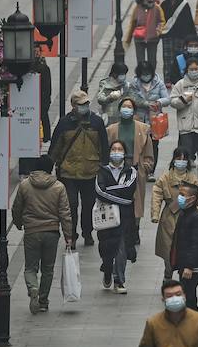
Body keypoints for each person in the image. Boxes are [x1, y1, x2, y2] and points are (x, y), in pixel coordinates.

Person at [11, 155, 74, 314]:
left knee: (30, 268)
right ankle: (43, 301)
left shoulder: (25, 185)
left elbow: (17, 207)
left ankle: (33, 287)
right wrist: (68, 235)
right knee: (48, 269)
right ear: (50, 168)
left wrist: (19, 223)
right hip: (51, 232)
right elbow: (65, 213)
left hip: (32, 231)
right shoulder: (59, 187)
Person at [47, 90, 109, 247]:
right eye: (81, 105)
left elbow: (103, 146)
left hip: (90, 172)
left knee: (89, 206)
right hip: (68, 173)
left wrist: (104, 169)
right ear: (73, 106)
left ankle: (87, 233)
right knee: (71, 206)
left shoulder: (96, 122)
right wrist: (47, 170)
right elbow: (55, 148)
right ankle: (71, 235)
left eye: (86, 104)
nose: (84, 107)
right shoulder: (64, 123)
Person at [106, 96, 157, 262]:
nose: (126, 109)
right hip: (116, 169)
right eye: (124, 106)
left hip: (136, 170)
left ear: (134, 111)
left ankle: (134, 229)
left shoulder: (142, 128)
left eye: (129, 107)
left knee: (136, 202)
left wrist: (146, 166)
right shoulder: (112, 129)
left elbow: (149, 151)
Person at [95, 140, 139, 294]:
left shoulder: (131, 171)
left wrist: (109, 191)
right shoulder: (102, 170)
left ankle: (119, 280)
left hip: (125, 217)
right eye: (113, 149)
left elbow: (128, 188)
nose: (116, 151)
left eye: (120, 149)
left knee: (121, 248)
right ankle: (107, 270)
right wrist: (122, 199)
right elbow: (99, 191)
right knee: (106, 248)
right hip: (106, 216)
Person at [150, 148, 198, 273]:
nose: (181, 162)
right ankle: (168, 270)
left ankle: (182, 271)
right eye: (178, 159)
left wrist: (189, 200)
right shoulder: (165, 178)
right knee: (168, 247)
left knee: (185, 246)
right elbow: (157, 194)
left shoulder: (192, 178)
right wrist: (155, 214)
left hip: (187, 217)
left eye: (184, 159)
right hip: (169, 217)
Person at [170, 181, 198, 308]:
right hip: (184, 262)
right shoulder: (184, 214)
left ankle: (195, 323)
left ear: (192, 198)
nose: (179, 197)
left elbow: (196, 244)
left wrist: (189, 266)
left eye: (182, 194)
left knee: (189, 297)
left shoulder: (197, 218)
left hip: (193, 266)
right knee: (188, 296)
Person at [160, 0, 198, 76]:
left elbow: (189, 21)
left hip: (181, 36)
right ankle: (168, 79)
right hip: (167, 35)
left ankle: (179, 77)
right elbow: (160, 20)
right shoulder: (164, 4)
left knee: (179, 58)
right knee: (167, 58)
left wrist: (193, 36)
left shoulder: (183, 4)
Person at [126, 0, 165, 67]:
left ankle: (152, 76)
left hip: (152, 38)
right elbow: (132, 24)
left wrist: (157, 32)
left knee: (152, 61)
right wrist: (128, 40)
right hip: (139, 38)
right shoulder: (137, 8)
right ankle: (141, 76)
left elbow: (162, 21)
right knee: (140, 62)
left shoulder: (157, 8)